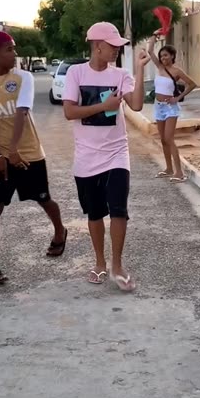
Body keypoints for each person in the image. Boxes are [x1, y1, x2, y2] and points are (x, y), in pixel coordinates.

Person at [0, 31, 67, 285]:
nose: (14, 54)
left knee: (44, 199)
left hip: (30, 154)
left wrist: (14, 151)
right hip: (0, 157)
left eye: (14, 49)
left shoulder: (24, 77)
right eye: (9, 50)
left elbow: (21, 113)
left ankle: (60, 231)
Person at [62, 22, 150, 291]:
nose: (116, 50)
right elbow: (69, 112)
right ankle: (100, 262)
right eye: (113, 46)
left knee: (119, 209)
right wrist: (104, 106)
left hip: (117, 154)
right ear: (98, 46)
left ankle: (117, 265)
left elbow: (136, 104)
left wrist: (140, 69)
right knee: (95, 213)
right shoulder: (76, 73)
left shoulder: (121, 75)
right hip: (87, 157)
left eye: (118, 46)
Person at [147, 34, 196, 181]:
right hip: (158, 106)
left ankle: (179, 173)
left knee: (169, 138)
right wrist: (153, 37)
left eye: (166, 55)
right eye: (161, 56)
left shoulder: (176, 71)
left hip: (170, 108)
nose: (163, 58)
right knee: (163, 139)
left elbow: (192, 84)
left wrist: (178, 98)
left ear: (172, 56)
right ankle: (169, 169)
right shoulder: (160, 67)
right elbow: (150, 51)